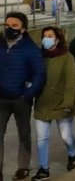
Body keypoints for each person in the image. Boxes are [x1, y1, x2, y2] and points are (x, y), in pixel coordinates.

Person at [0, 12, 46, 180]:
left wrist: (28, 95)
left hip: (21, 100)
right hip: (1, 99)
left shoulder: (30, 48)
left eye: (14, 26)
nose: (9, 29)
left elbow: (39, 74)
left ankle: (23, 167)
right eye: (7, 25)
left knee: (24, 134)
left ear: (23, 29)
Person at [32, 27, 75, 181]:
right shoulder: (39, 56)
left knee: (66, 135)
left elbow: (71, 82)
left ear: (57, 39)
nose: (46, 39)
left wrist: (68, 102)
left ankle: (72, 154)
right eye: (44, 36)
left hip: (61, 102)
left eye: (50, 36)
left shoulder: (67, 57)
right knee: (42, 138)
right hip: (42, 103)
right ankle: (43, 168)